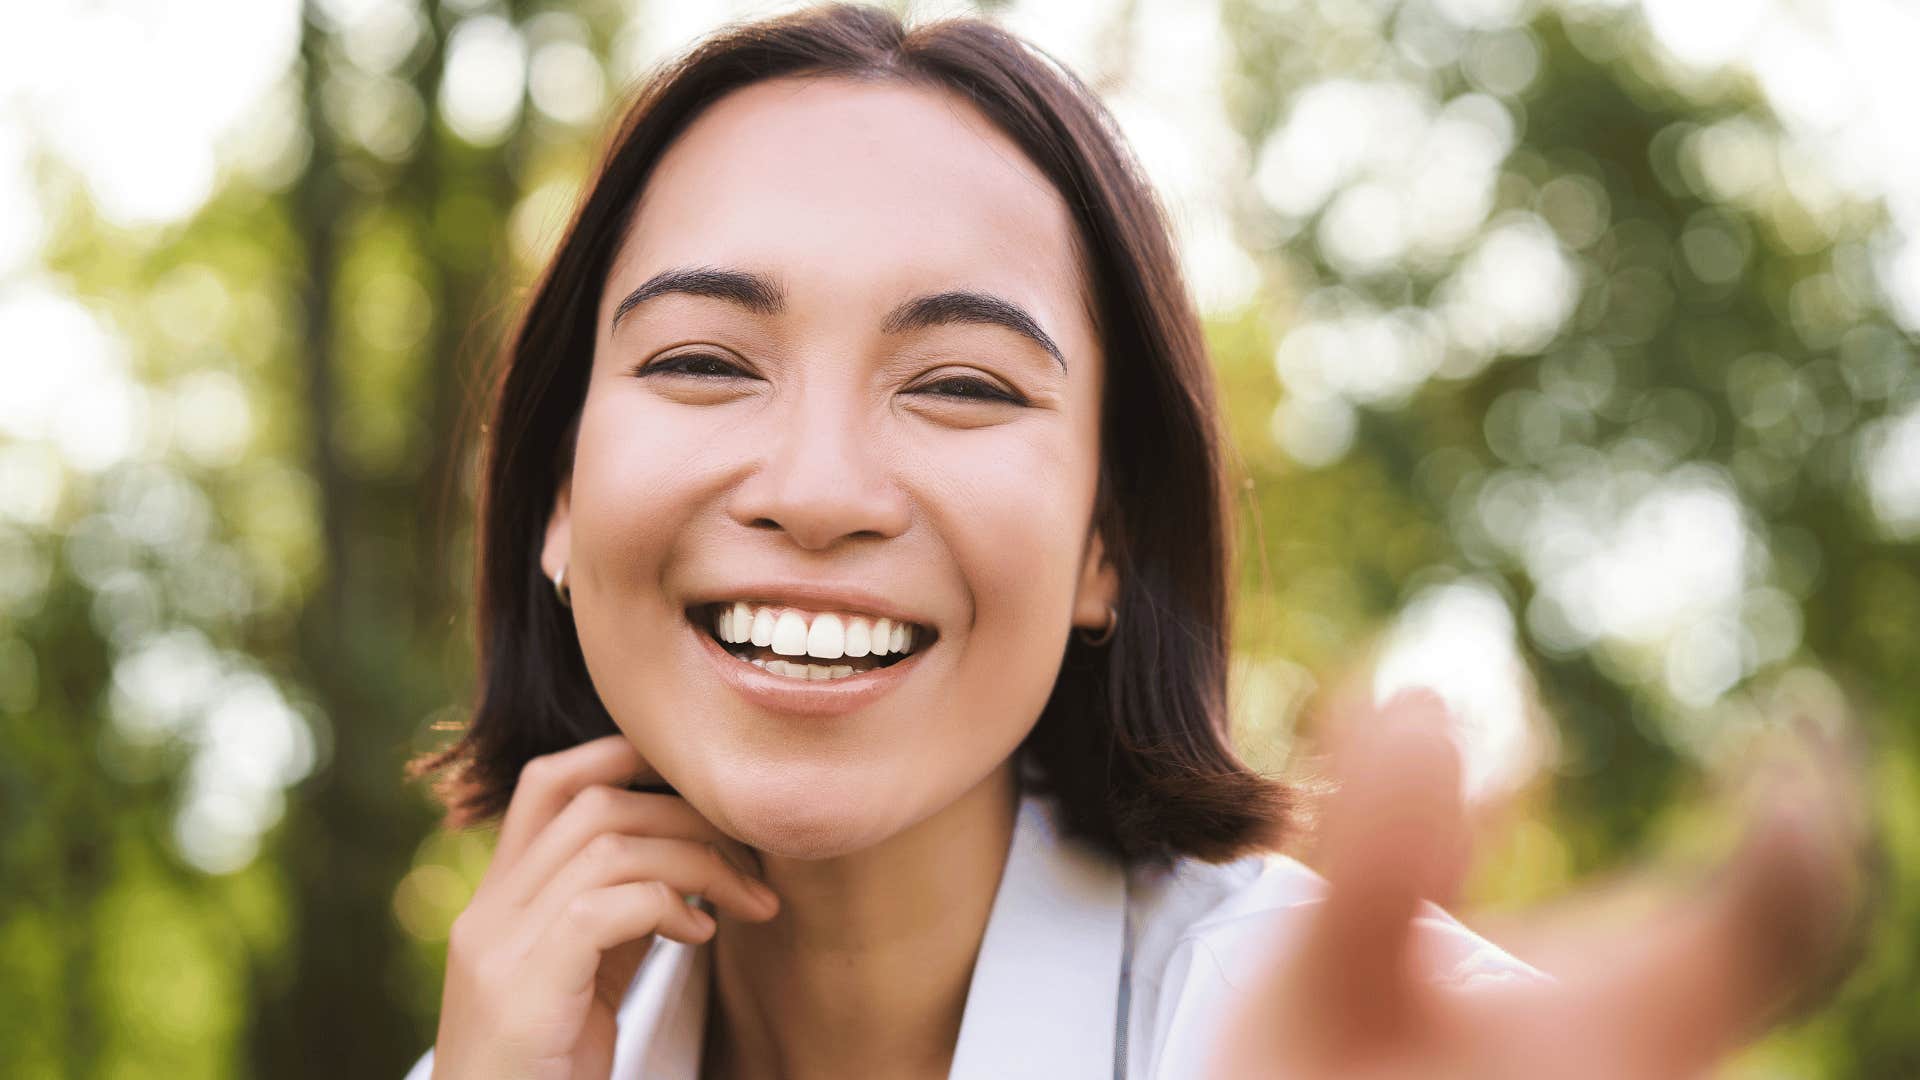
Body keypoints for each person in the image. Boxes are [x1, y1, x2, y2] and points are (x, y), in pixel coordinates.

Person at [402, 5, 1859, 1078]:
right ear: (557, 495)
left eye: (962, 384)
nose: (819, 486)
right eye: (706, 363)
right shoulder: (509, 1051)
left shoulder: (1288, 1029)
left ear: (1109, 540)